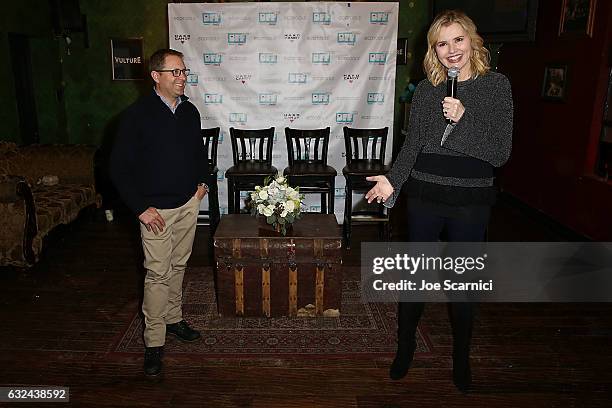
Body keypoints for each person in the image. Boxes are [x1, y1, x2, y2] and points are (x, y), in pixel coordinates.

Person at [365, 10, 513, 392]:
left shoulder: (497, 87)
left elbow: (499, 153)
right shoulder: (428, 91)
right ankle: (405, 348)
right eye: (442, 43)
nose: (451, 50)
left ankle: (461, 358)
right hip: (425, 195)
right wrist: (392, 182)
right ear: (434, 50)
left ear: (472, 40)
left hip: (470, 201)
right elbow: (413, 145)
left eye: (458, 40)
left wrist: (464, 119)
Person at [110, 49, 209, 377]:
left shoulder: (190, 111)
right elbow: (119, 169)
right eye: (175, 72)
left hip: (187, 204)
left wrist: (202, 183)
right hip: (156, 212)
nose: (182, 77)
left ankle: (173, 318)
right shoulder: (135, 116)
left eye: (184, 71)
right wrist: (140, 208)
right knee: (157, 274)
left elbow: (198, 151)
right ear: (156, 76)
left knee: (179, 265)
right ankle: (154, 343)